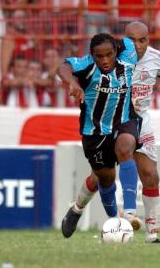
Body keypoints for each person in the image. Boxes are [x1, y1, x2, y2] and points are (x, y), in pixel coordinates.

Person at [62, 22, 160, 243]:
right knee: (103, 176)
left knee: (150, 175)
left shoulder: (155, 58)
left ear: (149, 40)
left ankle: (152, 234)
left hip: (138, 120)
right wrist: (74, 84)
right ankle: (77, 208)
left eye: (143, 40)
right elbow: (73, 68)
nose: (139, 45)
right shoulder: (112, 57)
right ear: (125, 41)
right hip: (108, 122)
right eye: (133, 40)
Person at [58, 33, 142, 239]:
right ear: (92, 55)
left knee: (125, 148)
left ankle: (129, 215)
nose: (105, 60)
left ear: (116, 51)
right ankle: (82, 211)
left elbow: (136, 35)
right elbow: (63, 67)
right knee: (104, 178)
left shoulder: (128, 54)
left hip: (124, 120)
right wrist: (72, 83)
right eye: (99, 56)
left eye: (109, 55)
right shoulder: (86, 65)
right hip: (95, 132)